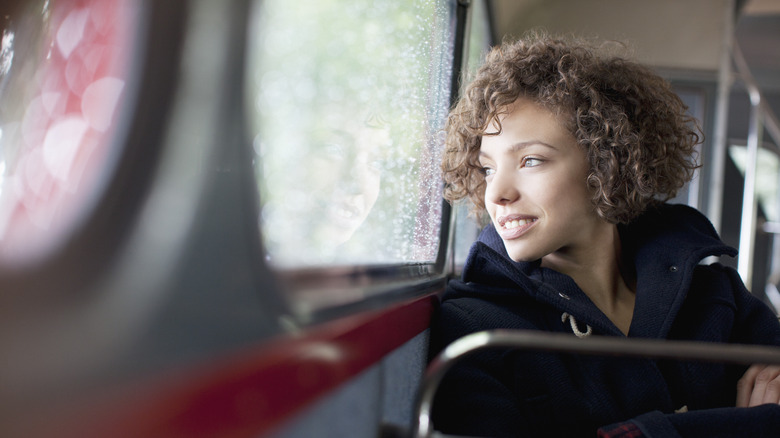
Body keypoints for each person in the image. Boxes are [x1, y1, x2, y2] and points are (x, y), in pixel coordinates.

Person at [431, 31, 780, 437]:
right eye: (487, 168)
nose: (497, 193)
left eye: (531, 160)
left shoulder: (717, 296)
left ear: (607, 163)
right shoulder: (474, 328)